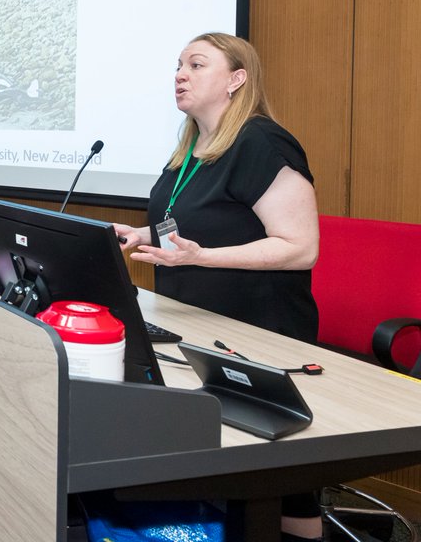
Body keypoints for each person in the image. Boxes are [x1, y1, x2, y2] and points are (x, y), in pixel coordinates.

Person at [112, 32, 322, 542]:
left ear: (236, 79)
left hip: (260, 329)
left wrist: (202, 256)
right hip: (197, 323)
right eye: (178, 65)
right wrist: (141, 234)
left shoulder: (260, 142)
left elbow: (300, 246)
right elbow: (187, 223)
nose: (180, 74)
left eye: (196, 64)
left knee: (274, 476)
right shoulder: (192, 148)